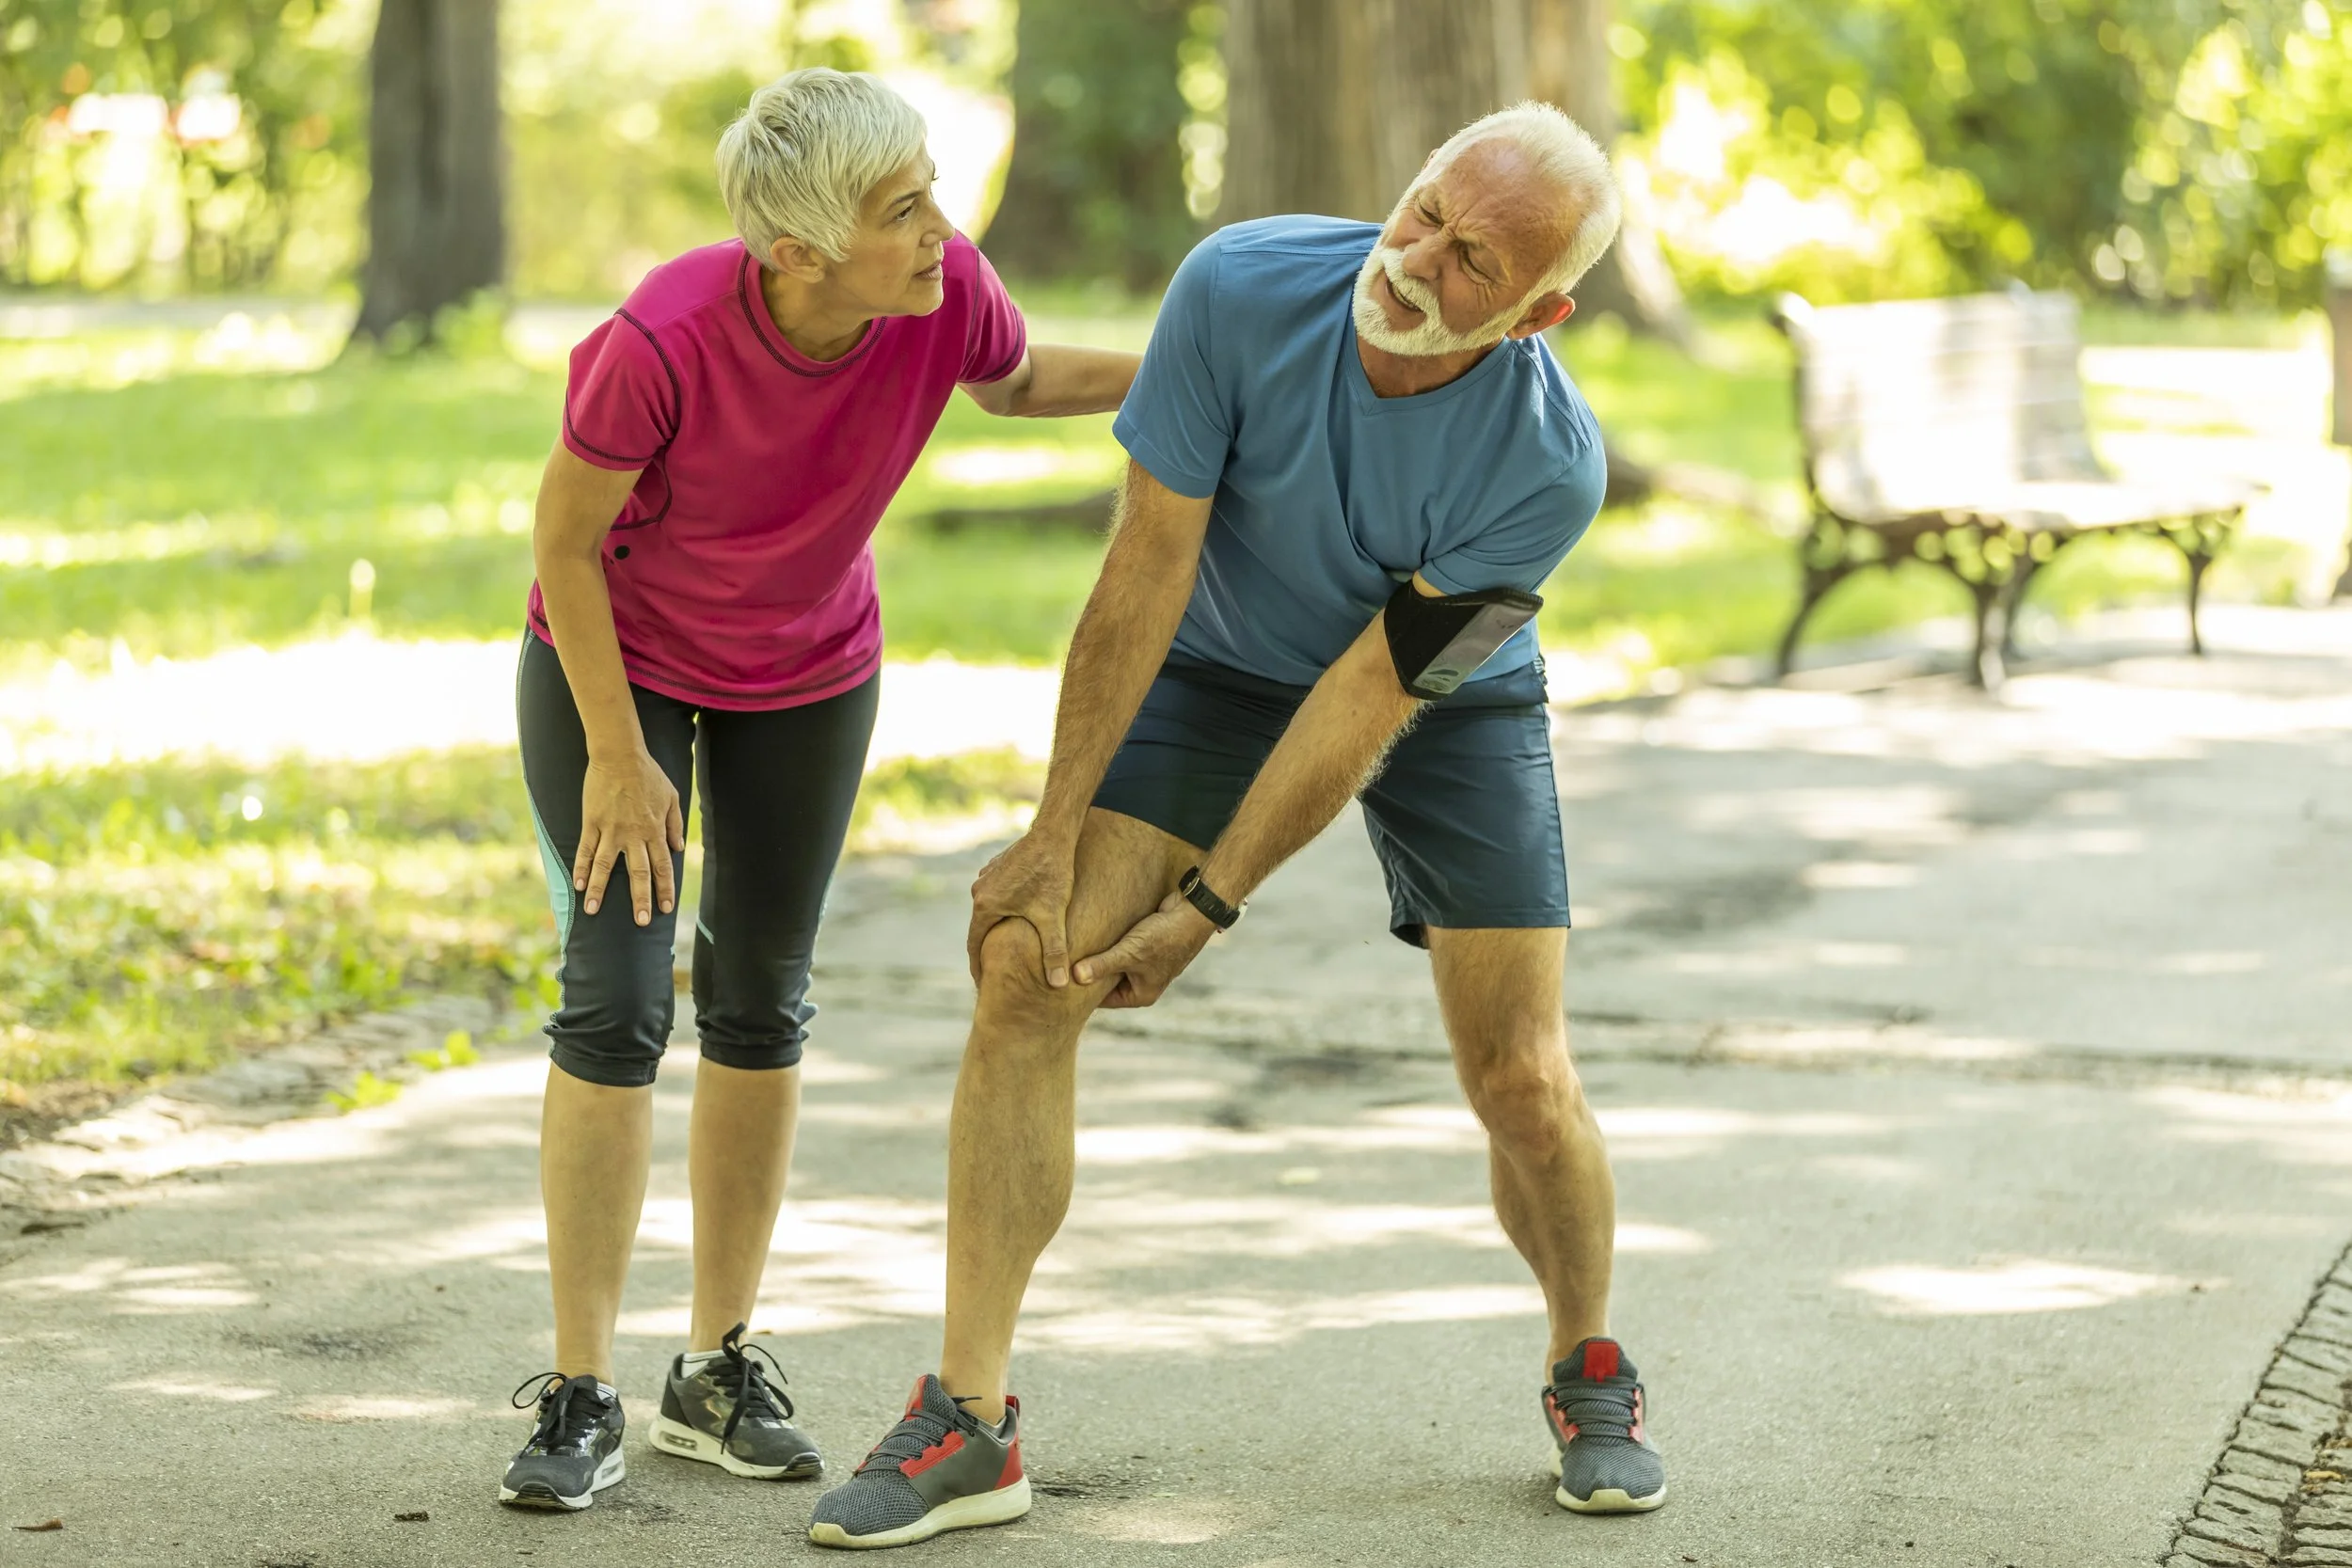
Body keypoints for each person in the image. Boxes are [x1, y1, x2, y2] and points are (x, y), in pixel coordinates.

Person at [811, 102, 1661, 1551]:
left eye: (1474, 264)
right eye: (1426, 211)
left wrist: (1208, 904)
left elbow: (1370, 694)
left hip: (1441, 700)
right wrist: (1050, 832)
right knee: (1029, 962)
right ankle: (970, 1416)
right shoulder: (1241, 285)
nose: (1418, 260)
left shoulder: (1546, 462)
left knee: (1518, 1073)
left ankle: (1589, 1357)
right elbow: (1146, 565)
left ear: (1541, 313)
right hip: (1211, 658)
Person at [497, 68, 1138, 1512]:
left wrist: (1191, 375)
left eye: (929, 191)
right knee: (615, 997)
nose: (940, 227)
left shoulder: (941, 290)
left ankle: (714, 1369)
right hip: (622, 669)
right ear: (796, 251)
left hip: (808, 670)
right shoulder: (659, 338)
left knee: (760, 993)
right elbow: (564, 533)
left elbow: (1022, 379)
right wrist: (615, 752)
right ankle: (581, 1387)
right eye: (902, 208)